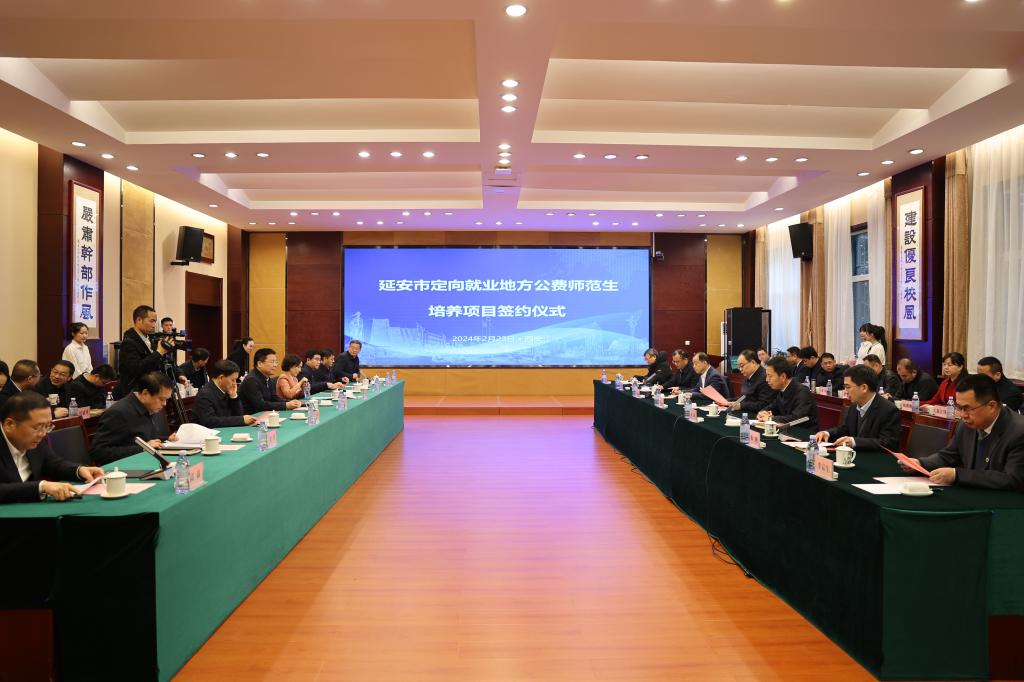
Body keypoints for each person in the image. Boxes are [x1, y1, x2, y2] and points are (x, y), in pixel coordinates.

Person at [905, 374, 1024, 491]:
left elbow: (1013, 479)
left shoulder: (1019, 431)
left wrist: (957, 475)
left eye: (967, 408)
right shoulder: (965, 424)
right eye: (959, 407)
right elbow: (948, 456)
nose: (962, 415)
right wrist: (920, 464)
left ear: (991, 406)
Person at [1, 392, 105, 504]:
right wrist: (41, 487)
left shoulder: (35, 438)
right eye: (37, 427)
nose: (43, 434)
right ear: (9, 425)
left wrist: (79, 471)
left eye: (47, 426)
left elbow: (53, 464)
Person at [89, 372, 179, 466]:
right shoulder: (118, 413)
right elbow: (98, 452)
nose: (164, 404)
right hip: (125, 468)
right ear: (145, 393)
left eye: (166, 399)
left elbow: (143, 438)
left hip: (147, 462)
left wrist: (167, 438)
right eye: (161, 399)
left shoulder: (148, 406)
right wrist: (143, 448)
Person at [814, 365, 901, 451]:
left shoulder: (889, 410)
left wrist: (854, 441)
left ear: (864, 388)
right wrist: (827, 433)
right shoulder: (854, 405)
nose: (845, 391)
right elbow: (845, 429)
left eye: (848, 387)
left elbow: (888, 443)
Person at [117, 305, 176, 398]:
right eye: (151, 321)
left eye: (155, 322)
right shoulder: (128, 342)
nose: (154, 325)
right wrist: (159, 353)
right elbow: (137, 369)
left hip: (152, 390)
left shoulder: (149, 340)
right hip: (136, 394)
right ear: (139, 320)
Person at [757, 356, 819, 431]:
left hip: (804, 433)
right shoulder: (782, 389)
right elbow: (772, 407)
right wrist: (762, 413)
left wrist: (770, 418)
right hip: (788, 431)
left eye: (770, 376)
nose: (767, 380)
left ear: (783, 376)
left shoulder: (802, 392)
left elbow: (796, 418)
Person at [192, 360, 257, 428]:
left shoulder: (227, 389)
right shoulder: (205, 394)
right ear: (221, 378)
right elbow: (210, 421)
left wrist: (234, 397)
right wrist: (241, 420)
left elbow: (239, 415)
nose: (234, 383)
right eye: (233, 380)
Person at [240, 348, 301, 414]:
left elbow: (274, 398)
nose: (275, 365)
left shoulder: (267, 378)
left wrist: (290, 402)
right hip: (252, 416)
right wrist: (286, 405)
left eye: (276, 362)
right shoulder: (251, 380)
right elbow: (260, 405)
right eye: (272, 362)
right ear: (260, 364)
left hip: (265, 415)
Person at [730, 349, 774, 414]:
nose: (740, 369)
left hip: (758, 415)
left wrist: (741, 406)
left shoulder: (765, 378)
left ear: (753, 362)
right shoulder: (749, 375)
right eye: (739, 367)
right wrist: (728, 401)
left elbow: (764, 404)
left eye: (742, 366)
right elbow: (744, 397)